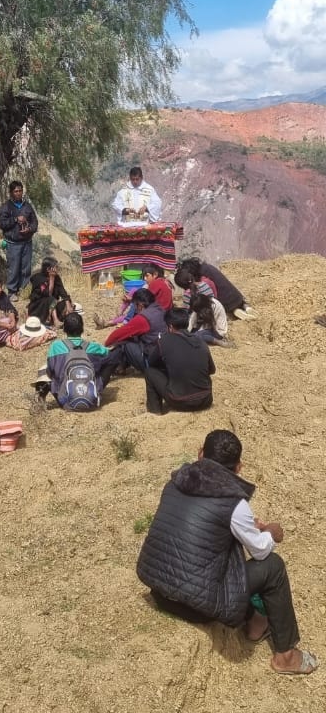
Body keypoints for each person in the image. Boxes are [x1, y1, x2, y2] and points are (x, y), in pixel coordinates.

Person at [136, 428, 318, 677]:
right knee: (273, 567)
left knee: (216, 551)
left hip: (160, 591)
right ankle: (286, 657)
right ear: (239, 467)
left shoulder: (175, 481)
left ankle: (255, 622)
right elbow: (261, 551)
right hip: (195, 608)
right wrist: (271, 532)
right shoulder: (234, 504)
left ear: (200, 454)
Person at [144, 306, 215, 415]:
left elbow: (152, 363)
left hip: (181, 402)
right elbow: (211, 370)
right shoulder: (200, 341)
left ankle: (155, 412)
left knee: (150, 372)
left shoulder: (164, 341)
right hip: (206, 399)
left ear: (170, 326)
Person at [46, 311, 110, 405]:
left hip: (64, 400)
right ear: (82, 329)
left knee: (44, 371)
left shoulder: (55, 346)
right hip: (91, 398)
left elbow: (50, 371)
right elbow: (109, 353)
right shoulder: (93, 347)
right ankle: (97, 390)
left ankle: (43, 399)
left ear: (64, 329)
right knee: (110, 361)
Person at [104, 288, 167, 374]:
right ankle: (121, 367)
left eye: (135, 306)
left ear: (140, 305)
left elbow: (119, 334)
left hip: (151, 362)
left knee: (123, 343)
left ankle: (106, 367)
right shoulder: (160, 310)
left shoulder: (144, 318)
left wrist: (106, 344)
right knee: (134, 338)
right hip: (163, 358)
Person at [0, 181, 38, 298]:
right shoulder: (6, 207)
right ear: (11, 193)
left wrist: (29, 229)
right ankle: (12, 291)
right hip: (13, 243)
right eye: (16, 191)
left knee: (26, 267)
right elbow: (2, 224)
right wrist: (15, 219)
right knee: (13, 267)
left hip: (27, 242)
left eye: (20, 191)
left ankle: (24, 290)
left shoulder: (27, 206)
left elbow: (35, 222)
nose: (19, 193)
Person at [178, 258, 254, 319]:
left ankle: (233, 311)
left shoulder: (202, 279)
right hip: (237, 296)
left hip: (225, 304)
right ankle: (246, 307)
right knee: (241, 302)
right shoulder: (208, 267)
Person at [27, 258, 73, 328]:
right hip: (39, 307)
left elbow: (62, 291)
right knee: (51, 299)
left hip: (52, 306)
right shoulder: (38, 278)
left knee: (67, 301)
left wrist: (68, 303)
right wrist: (52, 278)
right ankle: (55, 320)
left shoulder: (57, 277)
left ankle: (57, 318)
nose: (57, 269)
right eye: (56, 267)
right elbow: (48, 294)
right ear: (48, 269)